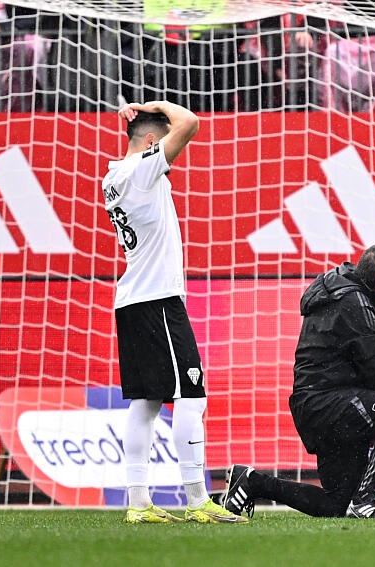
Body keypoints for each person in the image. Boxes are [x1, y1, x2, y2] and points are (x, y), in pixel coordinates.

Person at [103, 100, 246, 523]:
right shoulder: (141, 170)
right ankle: (199, 499)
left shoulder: (113, 176)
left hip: (133, 299)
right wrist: (152, 107)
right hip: (157, 300)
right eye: (161, 145)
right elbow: (190, 122)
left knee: (146, 403)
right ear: (150, 143)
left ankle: (138, 502)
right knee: (191, 397)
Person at [223, 243, 375, 518]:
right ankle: (366, 499)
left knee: (334, 504)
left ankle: (253, 482)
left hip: (321, 406)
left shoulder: (339, 286)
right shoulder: (356, 304)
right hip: (330, 404)